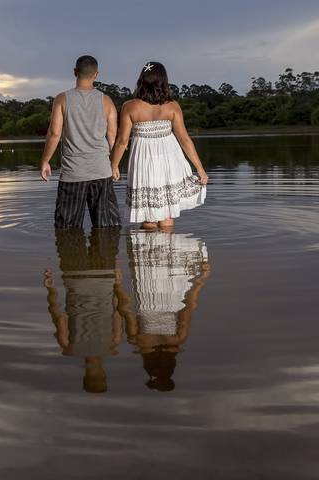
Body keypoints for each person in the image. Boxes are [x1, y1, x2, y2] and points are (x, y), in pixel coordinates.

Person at [110, 61, 208, 231]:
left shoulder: (130, 107)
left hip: (144, 160)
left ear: (142, 80)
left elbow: (122, 141)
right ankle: (169, 252)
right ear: (163, 80)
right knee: (167, 213)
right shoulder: (172, 106)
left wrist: (114, 165)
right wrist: (199, 168)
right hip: (169, 159)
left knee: (148, 214)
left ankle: (149, 254)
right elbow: (184, 139)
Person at [42, 228, 134, 393]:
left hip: (103, 277)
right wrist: (50, 289)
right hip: (75, 277)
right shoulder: (68, 347)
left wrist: (117, 282)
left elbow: (118, 310)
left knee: (91, 231)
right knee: (72, 234)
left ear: (104, 374)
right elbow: (58, 314)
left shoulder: (113, 345)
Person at [123, 229, 211, 392]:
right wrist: (117, 284)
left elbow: (189, 305)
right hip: (146, 289)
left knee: (162, 236)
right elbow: (125, 308)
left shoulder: (177, 340)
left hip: (170, 290)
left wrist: (201, 280)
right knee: (147, 240)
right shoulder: (138, 341)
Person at [40, 55, 121, 229]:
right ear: (96, 74)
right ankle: (103, 256)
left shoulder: (62, 99)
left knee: (67, 231)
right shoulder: (107, 101)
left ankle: (71, 256)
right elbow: (113, 137)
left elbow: (55, 134)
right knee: (107, 230)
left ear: (75, 72)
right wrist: (114, 165)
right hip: (101, 172)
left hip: (72, 174)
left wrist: (45, 161)